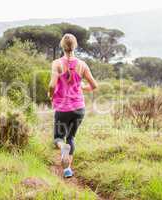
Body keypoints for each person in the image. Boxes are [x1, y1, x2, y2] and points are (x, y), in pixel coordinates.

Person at [48, 33, 98, 178]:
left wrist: (51, 95)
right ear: (75, 46)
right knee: (71, 138)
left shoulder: (57, 63)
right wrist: (82, 88)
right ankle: (67, 170)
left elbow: (52, 85)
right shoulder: (82, 65)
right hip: (79, 109)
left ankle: (62, 149)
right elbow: (94, 85)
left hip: (62, 108)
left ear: (62, 46)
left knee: (58, 138)